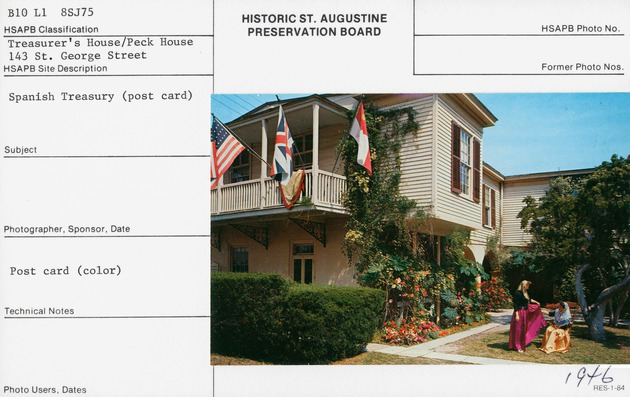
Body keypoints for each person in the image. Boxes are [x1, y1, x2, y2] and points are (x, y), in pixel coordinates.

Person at [508, 280, 547, 352]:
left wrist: (536, 302)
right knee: (518, 330)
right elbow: (516, 304)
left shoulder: (525, 292)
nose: (528, 287)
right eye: (527, 285)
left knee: (523, 329)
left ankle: (521, 343)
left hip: (525, 312)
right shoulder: (518, 293)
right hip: (519, 312)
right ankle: (517, 346)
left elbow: (528, 300)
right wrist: (517, 315)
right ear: (524, 285)